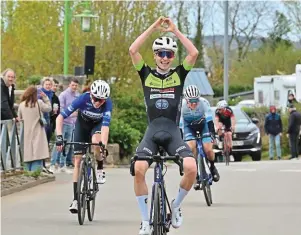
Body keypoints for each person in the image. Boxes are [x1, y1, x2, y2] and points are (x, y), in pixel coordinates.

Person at [129, 16, 199, 234]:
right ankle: (145, 221)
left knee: (191, 168)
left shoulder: (179, 74)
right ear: (155, 55)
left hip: (172, 132)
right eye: (161, 53)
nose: (165, 58)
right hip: (152, 131)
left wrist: (175, 30)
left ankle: (176, 206)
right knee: (139, 170)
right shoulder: (146, 73)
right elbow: (133, 50)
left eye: (169, 54)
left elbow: (194, 53)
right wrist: (153, 28)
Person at [55, 80, 112, 213]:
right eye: (96, 99)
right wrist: (59, 137)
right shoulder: (83, 99)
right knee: (77, 160)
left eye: (102, 100)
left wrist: (103, 144)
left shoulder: (107, 103)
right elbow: (60, 117)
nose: (98, 102)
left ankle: (100, 167)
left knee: (96, 141)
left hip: (97, 127)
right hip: (82, 126)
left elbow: (105, 127)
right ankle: (75, 200)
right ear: (91, 95)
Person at [180, 85, 220, 189]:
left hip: (203, 126)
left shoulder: (203, 102)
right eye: (191, 101)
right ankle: (196, 176)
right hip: (188, 127)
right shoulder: (181, 106)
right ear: (186, 100)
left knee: (208, 149)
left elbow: (209, 120)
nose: (194, 103)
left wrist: (212, 134)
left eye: (196, 100)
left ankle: (212, 167)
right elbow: (180, 126)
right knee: (191, 147)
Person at [17, 86, 51, 171]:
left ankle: (27, 173)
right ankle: (35, 174)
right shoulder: (39, 103)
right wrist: (45, 97)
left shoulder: (21, 105)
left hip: (26, 133)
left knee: (27, 155)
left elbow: (19, 118)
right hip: (38, 132)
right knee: (37, 155)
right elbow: (49, 108)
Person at [50, 78, 79, 173]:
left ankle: (63, 165)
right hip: (62, 123)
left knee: (67, 145)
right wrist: (71, 114)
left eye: (76, 85)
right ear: (69, 85)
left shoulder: (77, 95)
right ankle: (53, 164)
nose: (74, 87)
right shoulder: (63, 95)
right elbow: (61, 109)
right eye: (73, 85)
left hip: (72, 124)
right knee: (58, 143)